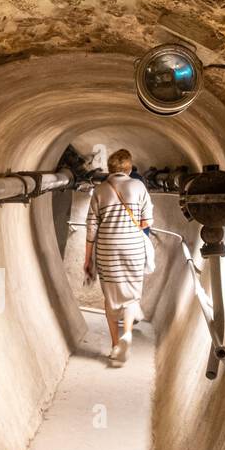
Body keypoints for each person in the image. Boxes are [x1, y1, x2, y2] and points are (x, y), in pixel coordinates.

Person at [83, 149, 154, 366]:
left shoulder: (100, 190)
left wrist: (88, 260)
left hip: (107, 249)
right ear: (129, 168)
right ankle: (128, 334)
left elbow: (91, 227)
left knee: (112, 298)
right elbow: (146, 221)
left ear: (110, 169)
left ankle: (115, 345)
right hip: (133, 247)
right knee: (131, 296)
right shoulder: (139, 186)